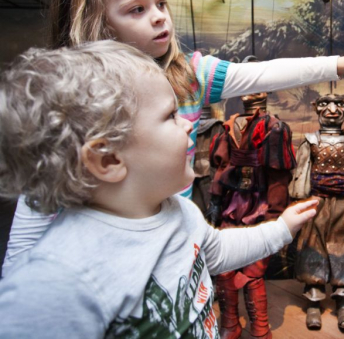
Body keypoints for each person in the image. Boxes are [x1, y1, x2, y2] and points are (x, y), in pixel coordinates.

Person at [1, 0, 344, 276]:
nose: (159, 16)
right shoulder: (76, 99)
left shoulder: (187, 74)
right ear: (99, 25)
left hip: (173, 230)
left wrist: (340, 64)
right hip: (104, 250)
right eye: (137, 9)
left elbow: (261, 74)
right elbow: (35, 209)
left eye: (160, 3)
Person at [0, 41, 319, 338]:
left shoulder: (177, 210)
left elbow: (217, 251)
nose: (188, 124)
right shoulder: (57, 283)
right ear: (109, 159)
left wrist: (281, 228)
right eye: (171, 116)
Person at [208, 67, 295, 338]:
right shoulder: (228, 126)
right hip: (232, 204)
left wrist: (274, 216)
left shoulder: (274, 127)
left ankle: (260, 327)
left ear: (266, 90)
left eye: (257, 85)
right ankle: (230, 323)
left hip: (260, 203)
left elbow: (278, 176)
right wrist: (215, 201)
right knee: (225, 265)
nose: (251, 91)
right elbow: (221, 168)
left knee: (254, 268)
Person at [290, 93, 344, 332]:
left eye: (338, 105)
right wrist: (298, 206)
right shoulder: (310, 141)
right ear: (317, 109)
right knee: (312, 249)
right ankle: (314, 300)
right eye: (325, 104)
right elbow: (300, 174)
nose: (332, 110)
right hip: (315, 205)